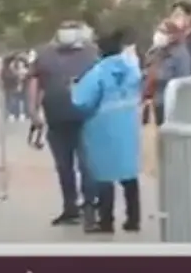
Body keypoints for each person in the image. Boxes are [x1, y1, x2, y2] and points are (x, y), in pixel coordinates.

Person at [26, 20, 99, 226]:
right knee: (63, 166)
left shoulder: (91, 53)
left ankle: (89, 205)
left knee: (87, 165)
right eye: (64, 28)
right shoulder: (44, 54)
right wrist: (33, 111)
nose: (67, 33)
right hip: (56, 118)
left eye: (72, 28)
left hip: (85, 118)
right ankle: (70, 207)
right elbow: (35, 81)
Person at [71, 27, 143, 234]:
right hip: (128, 125)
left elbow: (82, 101)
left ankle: (106, 221)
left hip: (103, 128)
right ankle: (133, 219)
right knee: (129, 172)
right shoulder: (131, 68)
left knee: (104, 174)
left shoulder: (98, 72)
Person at [149, 21, 191, 126]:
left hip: (172, 102)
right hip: (159, 100)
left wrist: (157, 76)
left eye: (163, 32)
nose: (159, 35)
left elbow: (183, 78)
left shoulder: (180, 54)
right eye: (158, 31)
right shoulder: (159, 50)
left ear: (172, 35)